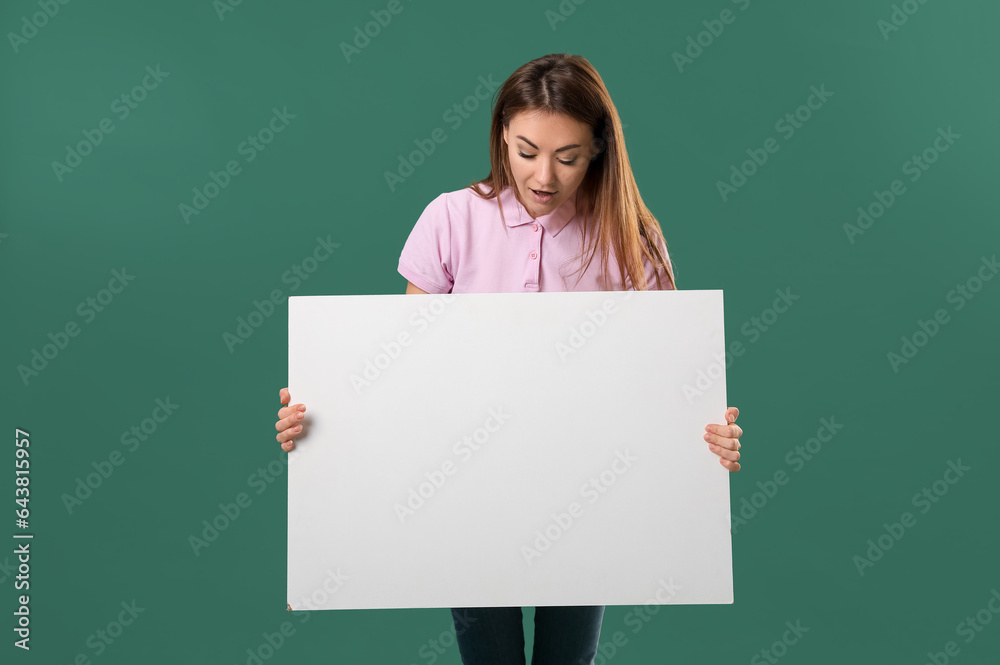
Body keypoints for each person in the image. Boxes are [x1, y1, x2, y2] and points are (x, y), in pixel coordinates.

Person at [275, 53, 744, 665]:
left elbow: (669, 384)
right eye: (527, 151)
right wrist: (319, 431)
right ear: (501, 135)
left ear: (598, 149)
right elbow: (402, 376)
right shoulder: (451, 219)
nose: (544, 176)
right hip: (466, 487)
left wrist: (711, 438)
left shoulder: (631, 238)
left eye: (568, 157)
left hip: (587, 489)